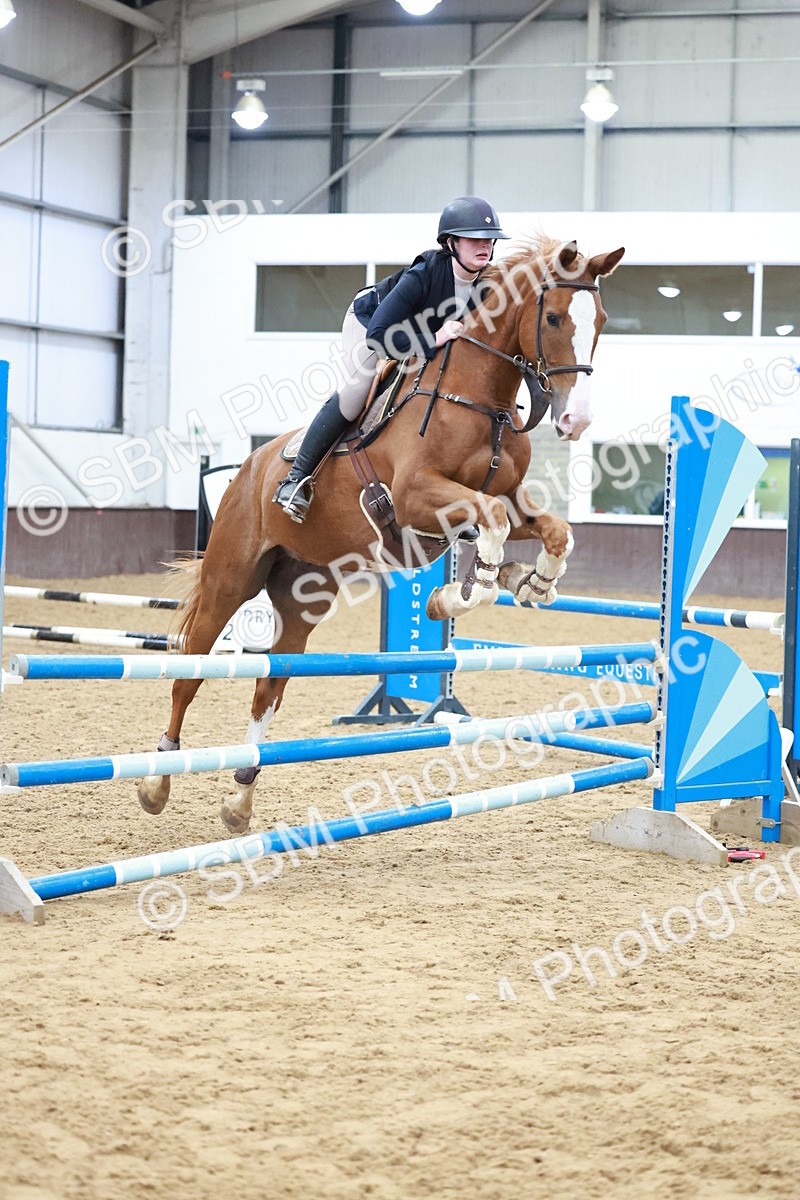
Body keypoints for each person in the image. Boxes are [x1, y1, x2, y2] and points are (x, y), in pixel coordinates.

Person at [272, 196, 510, 523]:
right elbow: (379, 337)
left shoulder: (487, 285)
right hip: (370, 322)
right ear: (451, 242)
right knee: (358, 393)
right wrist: (434, 338)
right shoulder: (424, 274)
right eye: (474, 239)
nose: (484, 246)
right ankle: (295, 479)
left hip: (415, 336)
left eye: (489, 240)